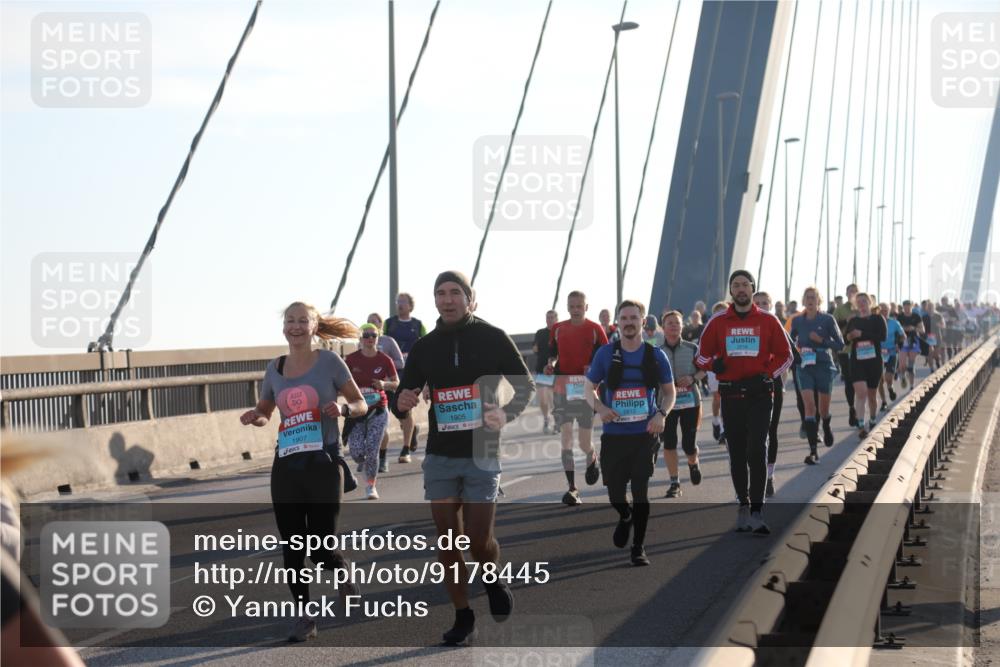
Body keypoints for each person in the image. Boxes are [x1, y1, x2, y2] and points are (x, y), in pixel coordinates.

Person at [392, 270, 533, 645]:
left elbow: (525, 384)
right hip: (440, 453)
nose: (448, 299)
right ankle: (463, 616)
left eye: (455, 292)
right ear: (434, 301)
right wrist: (401, 403)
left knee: (477, 540)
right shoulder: (425, 346)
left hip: (482, 449)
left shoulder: (492, 337)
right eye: (441, 293)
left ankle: (491, 576)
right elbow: (403, 396)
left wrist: (507, 413)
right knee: (447, 540)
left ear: (471, 299)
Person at [240, 302, 365, 642]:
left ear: (313, 326)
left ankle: (340, 569)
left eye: (302, 321)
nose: (295, 326)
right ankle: (304, 617)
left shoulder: (330, 362)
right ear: (284, 327)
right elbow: (266, 408)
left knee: (321, 546)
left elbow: (360, 403)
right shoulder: (275, 368)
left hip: (323, 461)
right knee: (293, 545)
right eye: (290, 321)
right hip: (288, 462)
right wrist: (258, 417)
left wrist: (341, 408)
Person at [695, 270, 792, 535]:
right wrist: (715, 364)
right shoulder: (717, 321)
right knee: (737, 452)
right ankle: (743, 503)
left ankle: (758, 511)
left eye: (745, 285)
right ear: (730, 290)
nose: (740, 289)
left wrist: (767, 374)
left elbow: (786, 356)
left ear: (752, 289)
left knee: (757, 449)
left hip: (760, 395)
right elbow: (700, 358)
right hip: (731, 395)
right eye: (735, 285)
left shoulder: (768, 320)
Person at [585, 299, 675, 565]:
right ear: (618, 322)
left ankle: (638, 547)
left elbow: (669, 392)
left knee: (640, 491)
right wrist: (600, 408)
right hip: (614, 436)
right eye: (623, 318)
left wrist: (662, 414)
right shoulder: (605, 354)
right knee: (615, 493)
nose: (628, 323)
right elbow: (588, 389)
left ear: (643, 320)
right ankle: (625, 516)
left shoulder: (655, 355)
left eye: (633, 318)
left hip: (644, 434)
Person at [547, 291, 608, 505]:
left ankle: (592, 457)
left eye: (579, 306)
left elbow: (605, 357)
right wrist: (551, 365)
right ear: (567, 306)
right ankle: (572, 488)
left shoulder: (595, 329)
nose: (575, 309)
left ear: (586, 307)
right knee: (566, 438)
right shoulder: (557, 329)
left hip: (585, 389)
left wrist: (594, 372)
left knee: (583, 442)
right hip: (563, 389)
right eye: (571, 306)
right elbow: (553, 355)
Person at [788, 287, 844, 465]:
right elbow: (789, 342)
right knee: (809, 407)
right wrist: (794, 353)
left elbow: (840, 344)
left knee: (823, 409)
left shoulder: (827, 319)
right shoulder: (797, 321)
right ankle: (813, 451)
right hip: (804, 366)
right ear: (803, 301)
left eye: (813, 298)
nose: (810, 300)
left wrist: (821, 341)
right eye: (807, 298)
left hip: (823, 365)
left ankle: (826, 425)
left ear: (819, 301)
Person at [754, 291, 803, 494]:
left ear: (772, 305)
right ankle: (754, 475)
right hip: (745, 387)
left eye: (766, 302)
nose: (762, 306)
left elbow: (795, 358)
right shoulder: (742, 328)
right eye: (758, 303)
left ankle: (769, 475)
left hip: (771, 385)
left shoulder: (776, 327)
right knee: (751, 435)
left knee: (770, 431)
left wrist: (772, 371)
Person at [344, 323, 398, 499]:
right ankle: (364, 463)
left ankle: (370, 486)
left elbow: (397, 383)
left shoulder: (385, 360)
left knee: (373, 450)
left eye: (373, 335)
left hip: (378, 410)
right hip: (357, 412)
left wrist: (384, 385)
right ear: (360, 339)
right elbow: (340, 382)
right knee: (357, 452)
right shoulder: (351, 360)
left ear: (378, 337)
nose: (369, 339)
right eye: (366, 335)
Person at [659, 310, 704, 498]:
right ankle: (674, 482)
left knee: (688, 444)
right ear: (663, 327)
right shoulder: (656, 352)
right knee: (669, 443)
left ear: (682, 326)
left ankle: (693, 463)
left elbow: (704, 370)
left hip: (690, 402)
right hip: (666, 404)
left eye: (677, 323)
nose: (674, 326)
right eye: (670, 323)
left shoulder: (692, 348)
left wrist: (693, 378)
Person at [367, 312, 416, 464]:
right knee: (379, 420)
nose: (371, 324)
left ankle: (406, 448)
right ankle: (382, 457)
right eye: (368, 322)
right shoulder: (362, 343)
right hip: (375, 388)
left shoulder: (388, 341)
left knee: (403, 414)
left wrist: (383, 366)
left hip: (392, 385)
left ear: (381, 325)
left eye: (374, 322)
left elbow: (400, 362)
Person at [844, 292, 887, 439]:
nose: (862, 304)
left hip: (874, 361)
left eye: (864, 301)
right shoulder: (853, 321)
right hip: (857, 361)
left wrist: (861, 333)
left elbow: (882, 337)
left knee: (872, 396)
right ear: (856, 305)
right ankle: (861, 425)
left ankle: (873, 418)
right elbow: (846, 339)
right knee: (861, 393)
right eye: (859, 302)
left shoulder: (877, 318)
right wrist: (850, 336)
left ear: (870, 302)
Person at [833, 284, 860, 426]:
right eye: (850, 292)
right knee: (849, 380)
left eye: (855, 291)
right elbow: (834, 326)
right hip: (845, 350)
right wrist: (846, 320)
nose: (853, 294)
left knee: (861, 381)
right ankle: (852, 408)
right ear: (846, 293)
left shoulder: (863, 306)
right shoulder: (840, 309)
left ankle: (860, 409)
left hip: (862, 350)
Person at [532, 310, 559, 434]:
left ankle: (558, 422)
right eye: (548, 317)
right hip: (542, 371)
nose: (550, 319)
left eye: (552, 317)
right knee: (543, 399)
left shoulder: (561, 331)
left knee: (555, 399)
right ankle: (546, 419)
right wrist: (535, 348)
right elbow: (535, 349)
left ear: (556, 319)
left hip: (558, 370)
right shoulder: (540, 333)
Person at [707, 301, 729, 444]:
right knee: (717, 398)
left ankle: (724, 430)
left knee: (727, 398)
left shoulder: (732, 326)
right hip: (714, 367)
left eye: (723, 312)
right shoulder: (709, 329)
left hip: (729, 366)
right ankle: (716, 421)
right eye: (718, 312)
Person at [878, 302, 905, 411]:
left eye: (886, 310)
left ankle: (890, 388)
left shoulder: (895, 323)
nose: (884, 312)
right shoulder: (875, 323)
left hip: (892, 353)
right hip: (878, 353)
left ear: (889, 311)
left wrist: (899, 344)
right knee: (880, 380)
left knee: (888, 378)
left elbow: (903, 336)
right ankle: (884, 402)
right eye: (881, 310)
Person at [896, 300, 924, 390]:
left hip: (913, 340)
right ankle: (903, 376)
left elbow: (922, 330)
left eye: (909, 306)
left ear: (912, 306)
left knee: (911, 365)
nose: (907, 308)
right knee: (902, 364)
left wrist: (914, 328)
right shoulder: (899, 317)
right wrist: (903, 329)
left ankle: (912, 386)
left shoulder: (916, 316)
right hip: (903, 341)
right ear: (903, 307)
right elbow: (896, 330)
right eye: (905, 306)